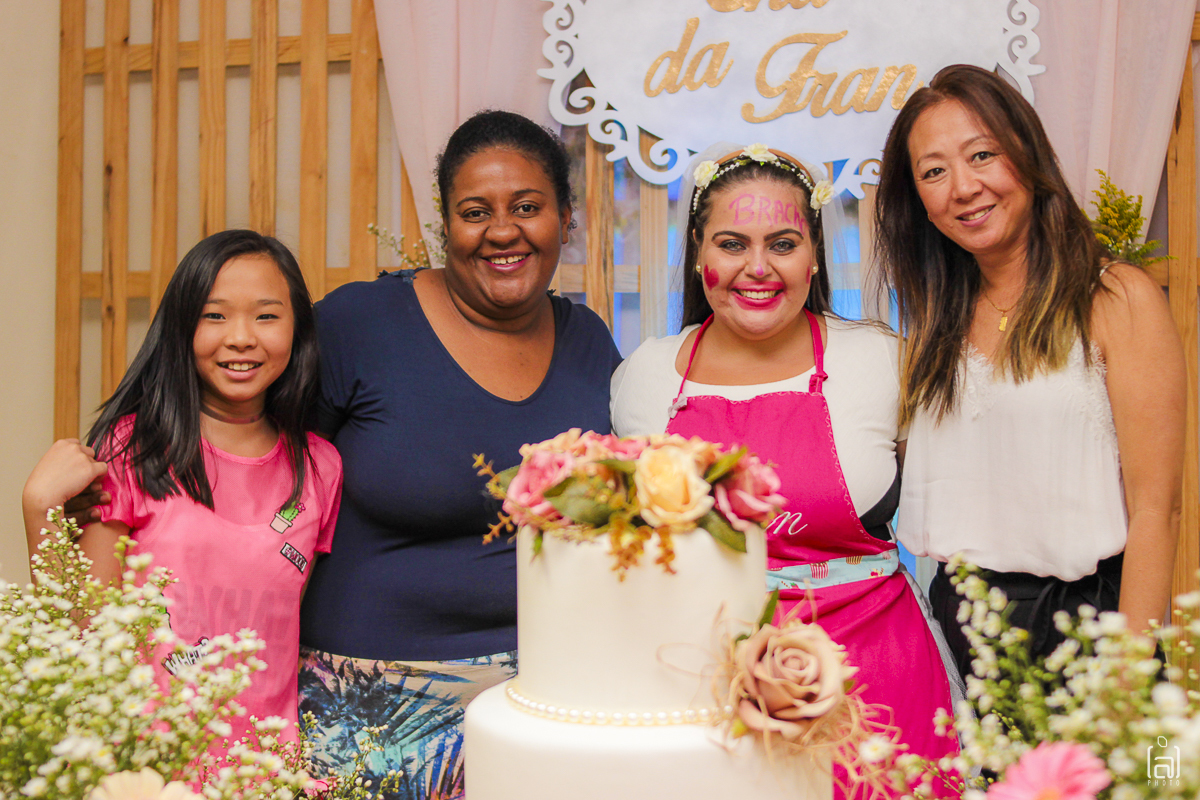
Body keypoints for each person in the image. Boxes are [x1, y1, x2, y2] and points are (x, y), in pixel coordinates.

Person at [611, 144, 958, 799]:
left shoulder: (883, 362)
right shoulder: (644, 377)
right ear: (698, 254)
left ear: (815, 256)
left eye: (783, 243)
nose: (758, 267)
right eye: (732, 244)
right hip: (705, 690)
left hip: (880, 685)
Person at [297, 110, 621, 799]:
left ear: (566, 219)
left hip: (545, 694)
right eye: (476, 212)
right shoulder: (359, 325)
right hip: (372, 706)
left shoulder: (590, 341)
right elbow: (253, 462)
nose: (502, 231)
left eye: (527, 207)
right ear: (446, 227)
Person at [875, 64, 1186, 677]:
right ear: (920, 203)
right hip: (956, 628)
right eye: (934, 172)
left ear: (1027, 153)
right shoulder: (935, 320)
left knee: (1136, 752)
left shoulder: (1115, 298)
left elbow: (1157, 510)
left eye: (982, 155)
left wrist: (1125, 681)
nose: (963, 187)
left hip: (1088, 632)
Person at [24, 229, 343, 748]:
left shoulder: (320, 467)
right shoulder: (131, 449)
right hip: (146, 763)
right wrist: (39, 510)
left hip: (265, 767)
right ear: (181, 326)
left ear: (298, 329)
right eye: (214, 316)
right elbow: (83, 635)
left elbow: (285, 631)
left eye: (266, 316)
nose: (241, 337)